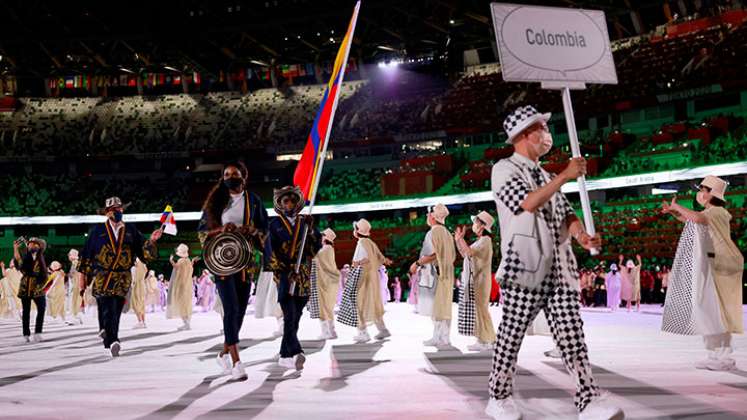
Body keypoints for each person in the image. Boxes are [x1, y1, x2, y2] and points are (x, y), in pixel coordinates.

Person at [487, 106, 622, 420]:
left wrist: (582, 236)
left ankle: (588, 400)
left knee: (572, 335)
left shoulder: (547, 176)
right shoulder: (504, 169)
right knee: (511, 336)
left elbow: (567, 215)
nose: (547, 134)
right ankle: (498, 395)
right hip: (525, 267)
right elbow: (526, 203)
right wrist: (565, 176)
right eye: (541, 128)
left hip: (560, 269)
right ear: (523, 135)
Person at [661, 176, 744, 371]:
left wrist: (678, 207)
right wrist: (675, 212)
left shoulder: (718, 212)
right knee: (708, 308)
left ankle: (721, 356)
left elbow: (698, 218)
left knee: (711, 309)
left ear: (710, 193)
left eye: (703, 189)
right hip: (712, 263)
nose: (700, 193)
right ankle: (716, 354)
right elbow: (693, 220)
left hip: (717, 265)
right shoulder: (711, 212)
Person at [198, 161, 268, 380]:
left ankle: (224, 352)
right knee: (230, 308)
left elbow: (264, 230)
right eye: (226, 174)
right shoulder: (215, 202)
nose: (230, 177)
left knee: (239, 311)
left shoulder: (254, 201)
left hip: (246, 262)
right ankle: (237, 361)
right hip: (222, 261)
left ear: (243, 177)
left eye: (234, 174)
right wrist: (221, 229)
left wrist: (253, 230)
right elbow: (202, 232)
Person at [79, 197, 161, 357]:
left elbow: (143, 252)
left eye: (120, 208)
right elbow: (87, 254)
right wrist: (84, 280)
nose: (118, 211)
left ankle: (109, 336)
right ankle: (113, 339)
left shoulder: (130, 229)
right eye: (115, 209)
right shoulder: (97, 231)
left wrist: (151, 240)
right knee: (106, 308)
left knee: (116, 310)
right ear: (107, 212)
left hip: (123, 277)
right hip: (103, 276)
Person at [267, 186, 321, 370]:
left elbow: (315, 249)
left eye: (292, 201)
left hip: (303, 276)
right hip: (284, 277)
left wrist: (312, 231)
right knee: (289, 315)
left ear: (297, 203)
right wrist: (285, 269)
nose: (289, 204)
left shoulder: (305, 222)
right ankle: (296, 350)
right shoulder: (274, 225)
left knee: (296, 317)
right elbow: (270, 252)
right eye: (285, 201)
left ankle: (285, 354)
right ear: (280, 205)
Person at [410, 204, 456, 347]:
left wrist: (416, 264)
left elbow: (432, 254)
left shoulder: (433, 232)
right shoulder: (447, 233)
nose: (426, 217)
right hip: (447, 272)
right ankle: (444, 337)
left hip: (435, 273)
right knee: (444, 305)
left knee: (436, 307)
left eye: (428, 214)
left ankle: (438, 337)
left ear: (433, 216)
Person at [454, 211, 496, 352]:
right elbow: (465, 253)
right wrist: (458, 240)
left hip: (481, 281)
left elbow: (469, 252)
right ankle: (483, 339)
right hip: (477, 280)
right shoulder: (480, 241)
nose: (474, 225)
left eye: (476, 222)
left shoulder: (485, 241)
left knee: (481, 310)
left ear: (482, 226)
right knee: (479, 310)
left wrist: (461, 239)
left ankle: (488, 340)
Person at [351, 219, 392, 343]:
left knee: (360, 304)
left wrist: (355, 264)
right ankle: (383, 329)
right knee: (373, 304)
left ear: (358, 231)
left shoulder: (361, 242)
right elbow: (381, 258)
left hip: (364, 277)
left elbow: (360, 260)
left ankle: (363, 332)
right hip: (374, 276)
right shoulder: (371, 242)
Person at [14, 237, 49, 343]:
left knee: (42, 308)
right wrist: (15, 248)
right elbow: (19, 263)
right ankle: (26, 334)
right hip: (26, 286)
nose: (31, 246)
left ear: (39, 247)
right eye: (30, 244)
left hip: (38, 287)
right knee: (26, 311)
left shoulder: (41, 258)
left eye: (34, 244)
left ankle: (38, 332)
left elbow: (44, 274)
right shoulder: (25, 257)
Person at [313, 228, 341, 340]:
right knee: (328, 308)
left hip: (325, 282)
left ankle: (326, 332)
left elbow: (314, 257)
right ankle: (331, 331)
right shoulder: (329, 249)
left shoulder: (325, 249)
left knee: (323, 308)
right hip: (328, 281)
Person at [166, 244, 198, 331]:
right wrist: (193, 261)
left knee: (180, 303)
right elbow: (190, 269)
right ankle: (187, 323)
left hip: (181, 285)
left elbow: (176, 267)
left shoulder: (180, 261)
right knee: (186, 303)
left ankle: (186, 323)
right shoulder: (188, 261)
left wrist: (171, 260)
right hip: (188, 285)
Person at [129, 258, 149, 329]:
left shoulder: (134, 269)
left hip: (137, 286)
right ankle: (143, 322)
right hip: (143, 286)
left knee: (136, 304)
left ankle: (140, 321)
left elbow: (133, 279)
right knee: (142, 304)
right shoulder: (144, 267)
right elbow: (146, 271)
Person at [67, 249, 84, 325]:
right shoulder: (75, 262)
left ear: (74, 255)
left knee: (74, 301)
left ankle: (75, 318)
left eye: (70, 254)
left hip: (75, 285)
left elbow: (76, 275)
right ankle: (77, 318)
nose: (68, 256)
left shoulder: (76, 263)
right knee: (74, 301)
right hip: (74, 285)